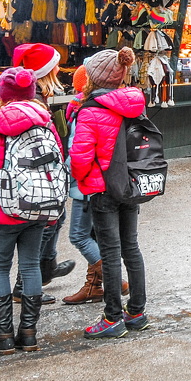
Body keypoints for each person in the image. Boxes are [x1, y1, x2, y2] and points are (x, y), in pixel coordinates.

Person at [0, 67, 63, 354]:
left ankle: (4, 337)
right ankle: (29, 333)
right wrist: (52, 213)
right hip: (38, 208)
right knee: (30, 265)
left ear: (2, 95)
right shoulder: (46, 124)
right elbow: (56, 170)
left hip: (4, 211)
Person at [71, 47, 151, 338]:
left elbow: (80, 158)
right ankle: (137, 312)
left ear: (95, 76)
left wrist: (83, 181)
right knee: (132, 247)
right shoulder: (134, 102)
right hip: (129, 185)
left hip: (103, 188)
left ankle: (112, 317)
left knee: (110, 251)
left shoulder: (91, 110)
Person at [10, 43, 75, 300]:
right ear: (44, 70)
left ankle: (46, 269)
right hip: (39, 172)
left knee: (56, 219)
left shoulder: (36, 94)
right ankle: (24, 284)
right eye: (55, 63)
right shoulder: (33, 98)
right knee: (45, 223)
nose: (59, 67)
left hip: (40, 170)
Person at [62, 64, 129, 305]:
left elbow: (78, 151)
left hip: (87, 184)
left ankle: (115, 279)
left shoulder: (85, 110)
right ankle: (93, 285)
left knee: (79, 236)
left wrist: (70, 174)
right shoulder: (113, 104)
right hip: (106, 182)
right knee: (95, 235)